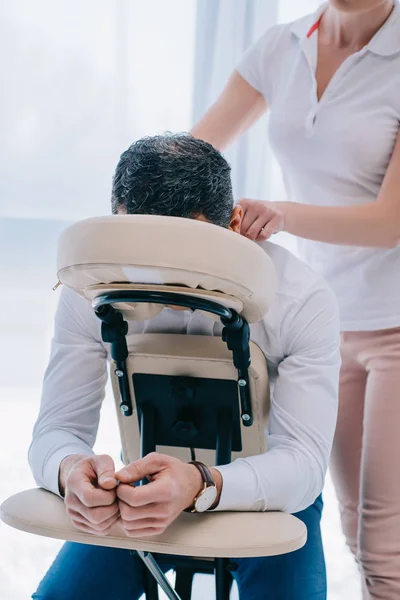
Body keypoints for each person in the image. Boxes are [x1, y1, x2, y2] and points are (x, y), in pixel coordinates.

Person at [30, 134, 340, 600]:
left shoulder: (299, 299)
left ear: (233, 224)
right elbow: (54, 429)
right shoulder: (88, 288)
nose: (158, 275)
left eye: (183, 249)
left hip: (273, 496)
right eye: (140, 245)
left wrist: (201, 484)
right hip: (139, 490)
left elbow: (304, 465)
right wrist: (69, 469)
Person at [191, 1, 400, 598]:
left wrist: (278, 215)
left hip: (395, 324)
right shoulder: (282, 47)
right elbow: (198, 148)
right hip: (326, 324)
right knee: (353, 533)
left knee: (386, 547)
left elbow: (390, 223)